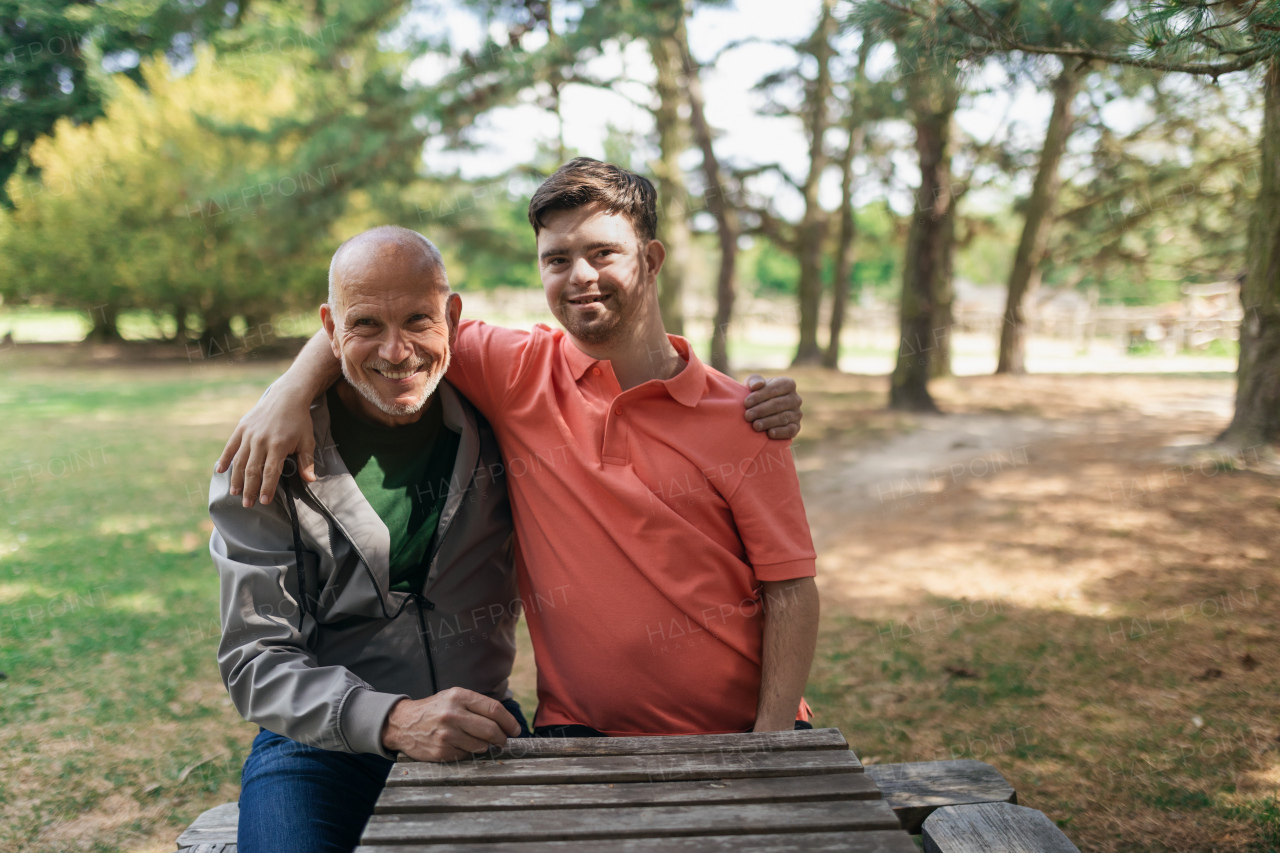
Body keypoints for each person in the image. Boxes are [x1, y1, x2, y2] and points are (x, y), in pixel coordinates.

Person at [219, 158, 818, 742]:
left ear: (652, 260)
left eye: (603, 252)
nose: (580, 275)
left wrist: (770, 743)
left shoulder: (744, 415)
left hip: (740, 731)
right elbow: (382, 317)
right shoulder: (515, 370)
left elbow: (790, 589)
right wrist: (288, 392)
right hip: (579, 733)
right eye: (557, 259)